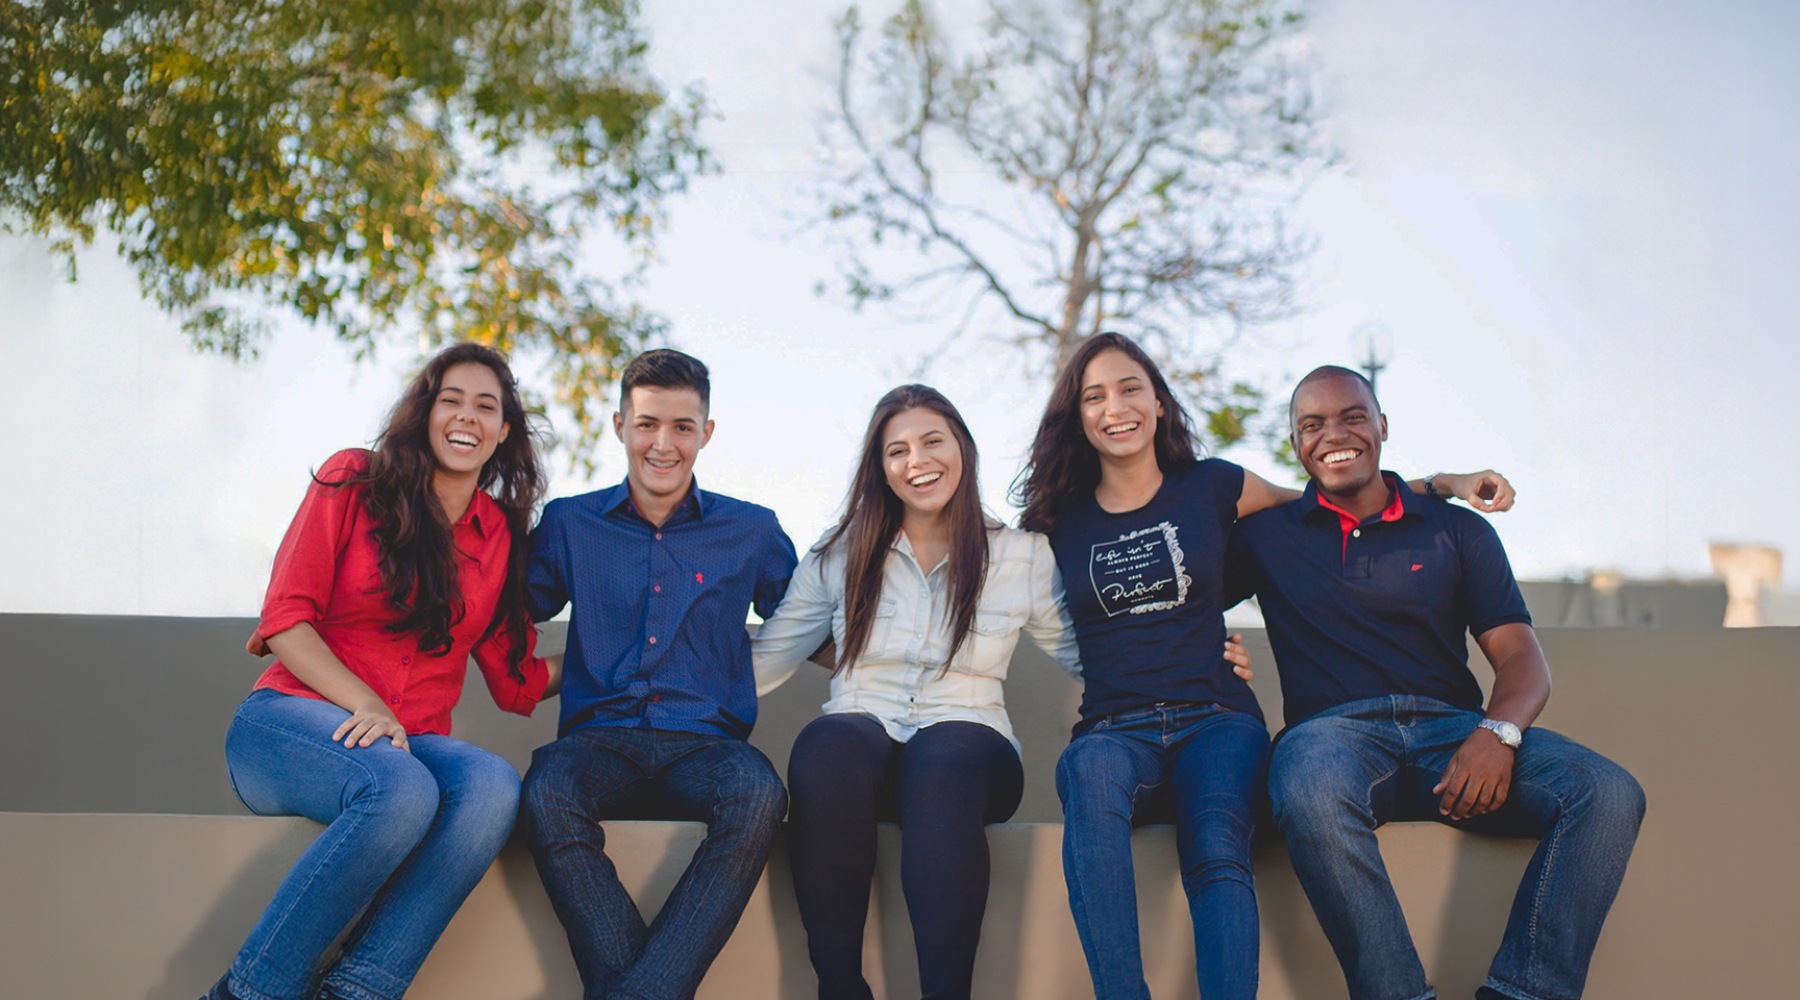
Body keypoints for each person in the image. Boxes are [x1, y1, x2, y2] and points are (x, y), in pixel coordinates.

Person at [1012, 332, 1509, 1000]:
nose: (1115, 406)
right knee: (1086, 785)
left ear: (1158, 403)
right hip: (1112, 726)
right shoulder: (1055, 520)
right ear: (1077, 416)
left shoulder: (1215, 485)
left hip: (1217, 718)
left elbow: (1327, 503)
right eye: (1094, 395)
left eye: (1131, 388)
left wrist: (1439, 484)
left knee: (1217, 846)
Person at [756, 385, 1241, 1000]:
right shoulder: (840, 554)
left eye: (933, 441)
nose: (917, 460)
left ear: (962, 446)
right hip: (861, 738)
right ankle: (840, 988)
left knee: (943, 759)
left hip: (971, 745)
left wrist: (1206, 658)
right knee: (826, 744)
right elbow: (768, 658)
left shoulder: (1020, 555)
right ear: (880, 469)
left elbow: (1095, 655)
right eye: (896, 450)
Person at [1227, 365, 1645, 1000]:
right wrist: (1211, 648)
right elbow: (1177, 596)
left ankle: (1523, 992)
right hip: (1334, 739)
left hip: (1455, 735)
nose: (1332, 434)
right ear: (1296, 445)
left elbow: (1522, 659)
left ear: (1383, 426)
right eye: (1311, 425)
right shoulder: (1264, 538)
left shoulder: (1457, 529)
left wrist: (1497, 733)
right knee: (1305, 782)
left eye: (1352, 417)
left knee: (1609, 793)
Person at [208, 343, 559, 1000]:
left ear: (504, 431)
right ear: (425, 412)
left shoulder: (499, 535)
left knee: (491, 786)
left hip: (407, 741)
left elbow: (518, 682)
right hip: (288, 722)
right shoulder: (354, 480)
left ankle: (359, 989)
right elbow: (284, 618)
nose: (467, 417)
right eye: (450, 399)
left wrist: (629, 653)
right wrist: (366, 703)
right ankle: (250, 990)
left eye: (486, 407)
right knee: (402, 790)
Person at [519, 348, 798, 1000]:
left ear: (706, 432)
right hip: (598, 742)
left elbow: (814, 628)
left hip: (708, 746)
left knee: (759, 796)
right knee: (545, 793)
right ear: (619, 425)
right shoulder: (568, 523)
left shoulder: (752, 531)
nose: (662, 443)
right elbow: (501, 613)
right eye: (646, 424)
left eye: (681, 426)